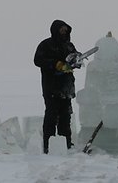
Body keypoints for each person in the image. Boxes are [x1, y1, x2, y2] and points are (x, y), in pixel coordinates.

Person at [34, 19, 79, 154]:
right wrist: (56, 64)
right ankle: (48, 145)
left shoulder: (69, 46)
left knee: (66, 117)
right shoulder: (46, 45)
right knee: (51, 115)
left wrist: (76, 62)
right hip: (51, 86)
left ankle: (66, 145)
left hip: (66, 87)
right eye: (61, 29)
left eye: (66, 30)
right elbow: (38, 60)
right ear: (55, 30)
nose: (64, 32)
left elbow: (74, 58)